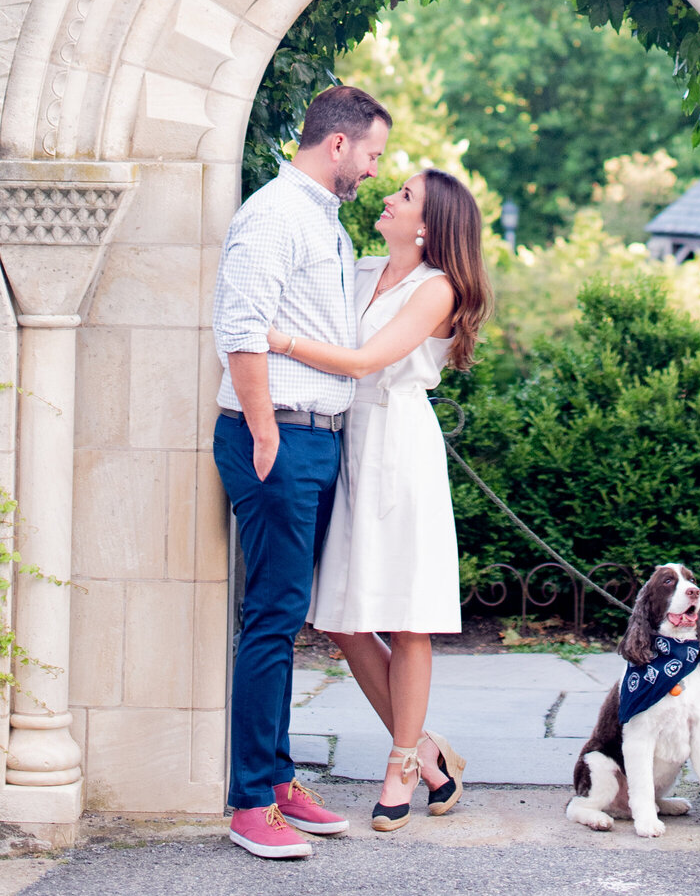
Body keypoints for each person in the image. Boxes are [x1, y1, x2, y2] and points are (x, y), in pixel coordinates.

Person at [267, 165, 492, 832]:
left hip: (399, 444)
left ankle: (398, 763)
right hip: (348, 437)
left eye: (405, 196)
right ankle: (426, 749)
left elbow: (365, 361)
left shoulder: (437, 289)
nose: (389, 198)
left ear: (427, 224)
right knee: (339, 613)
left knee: (406, 614)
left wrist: (278, 341)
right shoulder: (363, 268)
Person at [212, 84, 391, 861]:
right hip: (276, 434)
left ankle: (280, 779)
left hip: (314, 436)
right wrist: (261, 434)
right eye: (375, 152)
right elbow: (240, 328)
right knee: (273, 614)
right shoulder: (274, 213)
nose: (377, 168)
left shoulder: (325, 219)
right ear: (340, 143)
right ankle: (250, 799)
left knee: (287, 616)